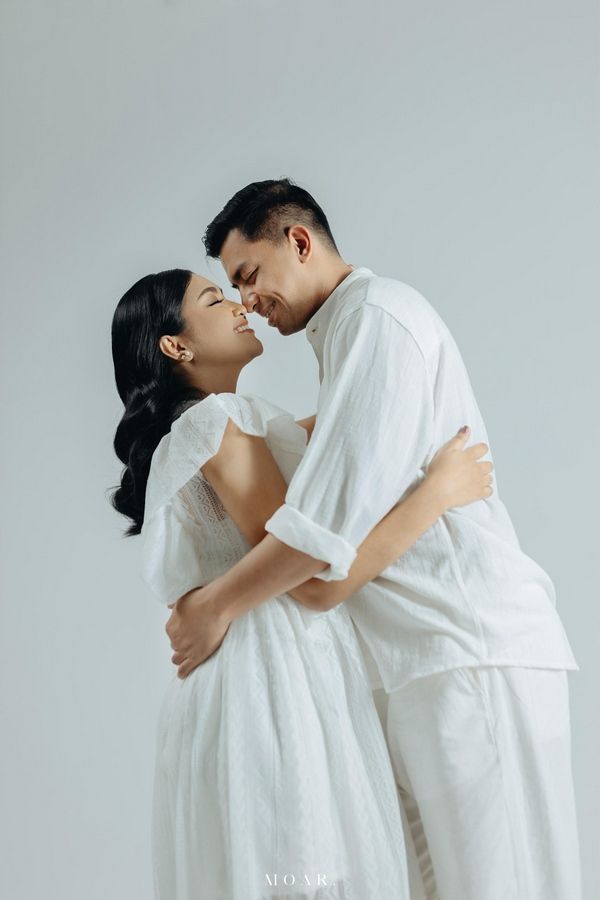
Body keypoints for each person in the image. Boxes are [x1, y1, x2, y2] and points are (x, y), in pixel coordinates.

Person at [167, 178, 582, 900]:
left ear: (299, 241)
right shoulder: (345, 340)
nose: (247, 301)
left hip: (463, 649)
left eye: (249, 275)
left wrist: (215, 606)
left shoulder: (375, 321)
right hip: (415, 664)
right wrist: (433, 493)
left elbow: (315, 553)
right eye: (231, 289)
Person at [110, 267, 493, 900]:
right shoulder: (215, 423)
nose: (239, 304)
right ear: (176, 345)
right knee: (304, 870)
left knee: (287, 871)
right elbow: (312, 577)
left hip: (253, 675)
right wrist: (437, 494)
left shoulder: (240, 426)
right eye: (214, 298)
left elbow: (343, 436)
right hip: (269, 677)